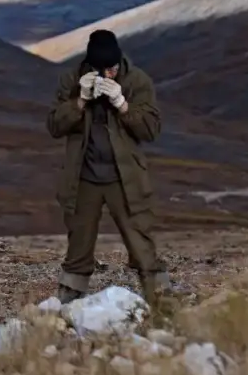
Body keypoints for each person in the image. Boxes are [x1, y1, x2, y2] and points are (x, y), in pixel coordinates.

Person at [45, 29, 172, 304]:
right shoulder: (71, 80)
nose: (108, 75)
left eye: (112, 70)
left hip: (124, 179)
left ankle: (162, 306)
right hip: (84, 178)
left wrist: (123, 104)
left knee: (141, 244)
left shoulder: (137, 81)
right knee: (78, 247)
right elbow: (55, 125)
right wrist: (79, 100)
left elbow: (151, 130)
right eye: (102, 71)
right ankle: (68, 307)